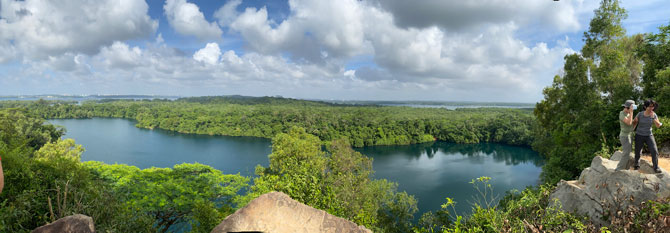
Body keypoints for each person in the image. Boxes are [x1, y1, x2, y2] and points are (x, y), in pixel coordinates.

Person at [633, 99, 663, 173]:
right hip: (639, 135)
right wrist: (632, 127)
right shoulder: (640, 114)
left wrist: (653, 118)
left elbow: (658, 125)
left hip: (649, 135)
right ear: (645, 106)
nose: (651, 108)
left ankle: (656, 167)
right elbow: (634, 123)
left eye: (652, 107)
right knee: (638, 151)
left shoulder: (654, 114)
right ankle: (636, 165)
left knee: (654, 151)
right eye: (650, 106)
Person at [616, 100, 636, 170]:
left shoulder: (628, 114)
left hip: (630, 135)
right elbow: (629, 123)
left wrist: (635, 122)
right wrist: (631, 112)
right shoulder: (622, 113)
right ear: (628, 107)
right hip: (624, 136)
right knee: (626, 153)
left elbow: (631, 127)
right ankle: (618, 169)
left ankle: (626, 168)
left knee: (629, 153)